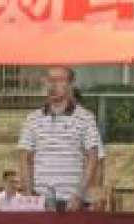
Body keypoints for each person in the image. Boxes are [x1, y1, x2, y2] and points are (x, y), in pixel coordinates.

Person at [17, 65, 103, 211]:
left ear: (70, 84)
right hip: (40, 202)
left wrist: (79, 195)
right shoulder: (32, 119)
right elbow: (24, 157)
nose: (53, 85)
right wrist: (29, 195)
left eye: (59, 80)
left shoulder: (86, 118)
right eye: (50, 80)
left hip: (72, 202)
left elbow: (93, 158)